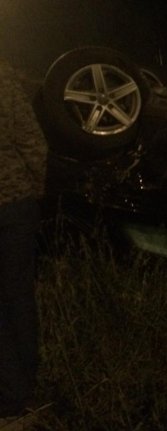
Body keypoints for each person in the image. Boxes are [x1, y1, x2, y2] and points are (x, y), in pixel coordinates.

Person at [0, 57, 48, 420]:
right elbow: (34, 143)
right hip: (18, 203)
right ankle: (26, 382)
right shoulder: (6, 81)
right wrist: (34, 191)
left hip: (12, 203)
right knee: (18, 294)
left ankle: (12, 394)